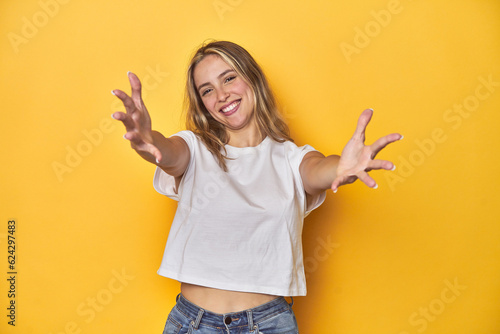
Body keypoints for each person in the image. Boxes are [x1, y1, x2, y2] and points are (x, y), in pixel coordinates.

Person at [111, 40, 402, 334]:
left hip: (269, 325)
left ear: (252, 78)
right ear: (202, 105)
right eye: (207, 90)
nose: (222, 94)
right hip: (193, 324)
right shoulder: (194, 149)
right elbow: (166, 153)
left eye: (229, 77)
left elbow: (319, 170)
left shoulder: (291, 159)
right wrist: (147, 138)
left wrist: (342, 168)